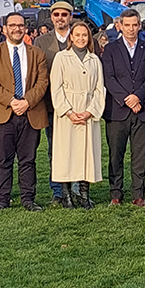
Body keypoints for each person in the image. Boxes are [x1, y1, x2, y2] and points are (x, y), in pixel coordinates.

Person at [0, 11, 49, 213]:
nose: (17, 29)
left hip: (31, 112)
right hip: (2, 112)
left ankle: (28, 198)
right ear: (5, 28)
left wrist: (26, 101)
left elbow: (42, 82)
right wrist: (12, 101)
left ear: (25, 28)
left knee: (28, 160)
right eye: (13, 25)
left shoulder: (36, 53)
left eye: (20, 25)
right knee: (3, 160)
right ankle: (2, 200)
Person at [101, 8, 145, 206]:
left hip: (142, 110)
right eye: (127, 25)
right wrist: (127, 99)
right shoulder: (110, 50)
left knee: (140, 156)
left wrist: (138, 97)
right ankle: (116, 194)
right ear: (120, 26)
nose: (131, 29)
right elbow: (108, 78)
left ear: (140, 25)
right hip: (117, 111)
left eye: (134, 25)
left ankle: (138, 195)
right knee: (116, 155)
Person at [50, 20, 106, 209]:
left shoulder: (94, 60)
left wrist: (90, 111)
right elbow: (56, 88)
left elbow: (100, 89)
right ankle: (66, 195)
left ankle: (84, 194)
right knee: (66, 153)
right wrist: (68, 111)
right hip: (68, 112)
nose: (81, 39)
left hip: (87, 111)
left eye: (84, 35)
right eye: (77, 35)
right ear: (71, 38)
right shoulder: (61, 58)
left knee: (86, 153)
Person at [34, 1, 74, 205]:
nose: (60, 18)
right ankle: (58, 191)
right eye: (56, 14)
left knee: (76, 148)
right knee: (55, 149)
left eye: (64, 14)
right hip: (51, 105)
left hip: (77, 105)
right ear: (51, 17)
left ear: (70, 17)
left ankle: (76, 189)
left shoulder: (81, 37)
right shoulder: (41, 42)